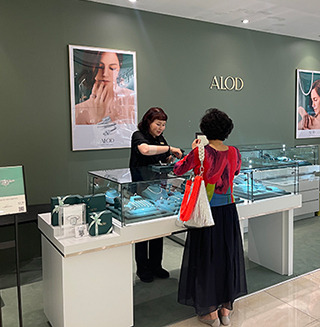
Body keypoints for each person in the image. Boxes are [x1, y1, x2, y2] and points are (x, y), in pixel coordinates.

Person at [174, 108, 247, 327]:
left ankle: (210, 314)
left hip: (206, 212)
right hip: (229, 210)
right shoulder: (234, 152)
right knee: (227, 257)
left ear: (205, 129)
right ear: (227, 130)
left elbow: (179, 169)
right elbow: (234, 173)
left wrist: (193, 150)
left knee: (206, 260)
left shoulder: (201, 152)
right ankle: (225, 311)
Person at [129, 107, 183, 283]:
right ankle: (142, 268)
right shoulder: (138, 135)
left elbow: (163, 157)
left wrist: (170, 158)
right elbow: (145, 150)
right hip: (140, 189)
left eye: (164, 125)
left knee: (158, 228)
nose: (161, 128)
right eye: (158, 124)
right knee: (143, 229)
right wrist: (170, 148)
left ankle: (156, 265)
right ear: (148, 122)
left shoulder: (160, 139)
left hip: (158, 188)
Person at [75, 50, 135, 125]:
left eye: (112, 68)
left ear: (119, 68)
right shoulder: (77, 110)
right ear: (91, 69)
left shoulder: (132, 99)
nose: (105, 74)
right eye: (99, 67)